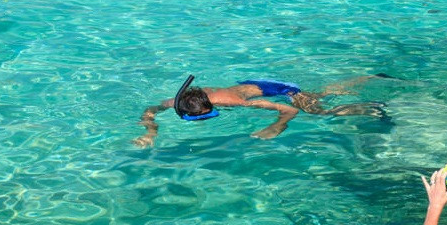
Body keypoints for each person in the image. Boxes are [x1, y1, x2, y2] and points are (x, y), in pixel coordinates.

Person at [133, 74, 388, 147]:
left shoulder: (236, 103)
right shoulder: (174, 101)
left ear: (212, 106)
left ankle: (370, 95)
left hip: (277, 89)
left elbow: (288, 110)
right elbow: (150, 110)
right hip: (248, 86)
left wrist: (275, 127)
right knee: (320, 97)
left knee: (318, 109)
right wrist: (150, 132)